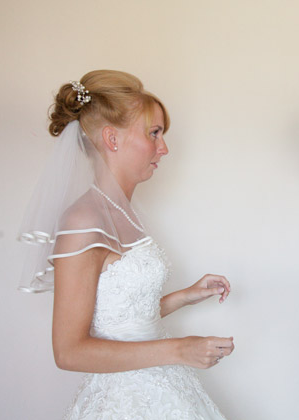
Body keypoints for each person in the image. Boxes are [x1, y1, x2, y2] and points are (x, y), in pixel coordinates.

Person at [18, 70, 234, 419]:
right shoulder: (83, 220)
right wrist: (179, 349)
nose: (163, 148)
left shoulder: (123, 212)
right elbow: (69, 351)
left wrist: (186, 295)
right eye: (154, 133)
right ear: (112, 139)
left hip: (163, 385)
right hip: (124, 399)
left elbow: (121, 320)